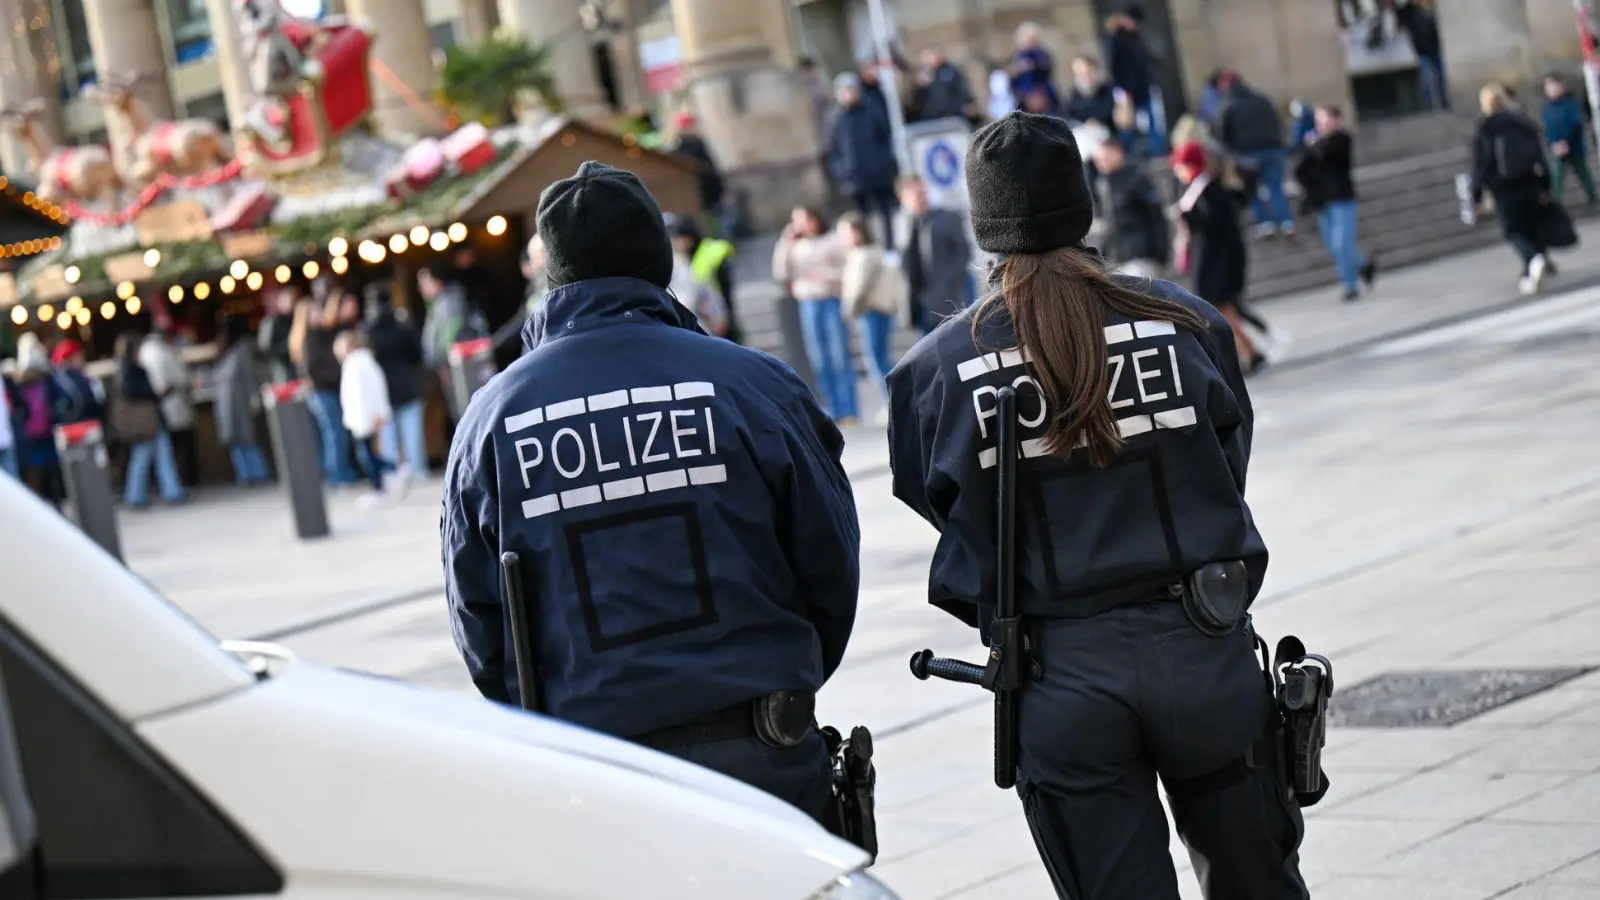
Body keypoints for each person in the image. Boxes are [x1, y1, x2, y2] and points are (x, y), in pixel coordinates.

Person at [886, 111, 1308, 900]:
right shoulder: (1184, 322)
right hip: (1202, 645)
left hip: (1060, 671)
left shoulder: (936, 371)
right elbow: (1226, 461)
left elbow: (939, 502)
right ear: (1082, 206)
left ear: (987, 227)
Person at [442, 161, 860, 823]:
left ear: (555, 273)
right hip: (763, 753)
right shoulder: (753, 386)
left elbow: (479, 623)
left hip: (602, 781)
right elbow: (829, 561)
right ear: (657, 261)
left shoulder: (492, 422)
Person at [1172, 140, 1263, 371]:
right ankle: (1249, 351)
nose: (1176, 170)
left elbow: (1214, 222)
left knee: (1220, 309)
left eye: (1180, 165)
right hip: (1211, 259)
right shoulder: (1195, 188)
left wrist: (1187, 218)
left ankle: (1247, 352)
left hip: (1219, 261)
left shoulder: (1209, 188)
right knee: (1222, 309)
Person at [772, 206, 858, 425]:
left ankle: (849, 409)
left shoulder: (831, 240)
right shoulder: (795, 245)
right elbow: (780, 272)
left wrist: (826, 276)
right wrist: (786, 242)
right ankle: (832, 409)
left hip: (830, 298)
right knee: (819, 359)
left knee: (839, 356)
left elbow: (848, 269)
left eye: (806, 219)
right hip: (808, 303)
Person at [1470, 83, 1554, 296]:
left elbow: (1481, 164)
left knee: (1513, 231)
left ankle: (1533, 261)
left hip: (1504, 187)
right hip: (1530, 181)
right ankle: (1535, 265)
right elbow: (1539, 154)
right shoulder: (1521, 122)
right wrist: (1546, 184)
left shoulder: (1485, 128)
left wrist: (1476, 195)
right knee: (1531, 226)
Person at [1297, 105, 1377, 302]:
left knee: (1342, 244)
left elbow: (1329, 155)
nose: (1321, 125)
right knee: (1334, 245)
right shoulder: (1314, 143)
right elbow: (1302, 169)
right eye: (1318, 121)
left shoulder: (1341, 138)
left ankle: (1349, 286)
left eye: (1325, 120)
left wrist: (1314, 144)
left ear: (1335, 120)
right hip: (1323, 201)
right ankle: (1362, 265)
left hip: (1342, 198)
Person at [838, 212, 903, 425]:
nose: (844, 238)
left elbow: (858, 287)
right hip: (873, 312)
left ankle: (891, 402)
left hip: (872, 312)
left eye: (846, 233)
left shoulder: (864, 255)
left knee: (877, 359)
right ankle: (891, 402)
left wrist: (848, 309)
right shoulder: (865, 253)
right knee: (877, 358)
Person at [290, 286, 359, 486]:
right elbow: (314, 369)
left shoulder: (319, 334)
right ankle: (337, 475)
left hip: (323, 391)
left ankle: (340, 472)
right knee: (334, 433)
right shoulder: (309, 338)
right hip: (321, 391)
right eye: (315, 312)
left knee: (334, 433)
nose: (320, 314)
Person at [1216, 70, 1295, 238]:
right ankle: (1286, 221)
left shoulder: (1228, 106)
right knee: (1275, 187)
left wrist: (1231, 152)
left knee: (1251, 190)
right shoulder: (1262, 99)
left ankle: (1265, 223)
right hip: (1273, 148)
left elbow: (1223, 133)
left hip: (1247, 154)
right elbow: (1277, 121)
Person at [113, 331, 186, 509]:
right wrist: (158, 393)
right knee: (151, 456)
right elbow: (139, 393)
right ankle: (152, 494)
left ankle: (152, 494)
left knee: (150, 456)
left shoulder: (122, 370)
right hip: (147, 422)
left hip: (143, 423)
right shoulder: (133, 370)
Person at [826, 72, 900, 244]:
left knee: (885, 213)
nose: (849, 94)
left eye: (852, 90)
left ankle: (890, 245)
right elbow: (834, 149)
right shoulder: (837, 119)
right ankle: (868, 244)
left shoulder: (872, 112)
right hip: (855, 176)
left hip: (878, 173)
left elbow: (885, 138)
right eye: (845, 91)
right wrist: (842, 172)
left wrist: (884, 163)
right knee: (861, 216)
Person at [895, 175, 973, 334]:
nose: (922, 197)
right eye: (916, 194)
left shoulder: (946, 218)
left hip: (948, 300)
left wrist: (949, 283)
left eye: (923, 192)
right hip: (920, 304)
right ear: (903, 198)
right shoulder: (902, 224)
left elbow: (963, 253)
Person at [365, 284, 427, 481]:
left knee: (388, 438)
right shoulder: (402, 324)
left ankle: (392, 477)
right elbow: (417, 354)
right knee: (412, 436)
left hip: (382, 389)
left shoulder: (367, 330)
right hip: (407, 383)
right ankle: (418, 473)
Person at [1091, 138, 1169, 278]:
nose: (1101, 164)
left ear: (1118, 153)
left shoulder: (1137, 178)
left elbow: (1156, 216)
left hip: (1140, 254)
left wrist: (1161, 252)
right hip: (1114, 258)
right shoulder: (1101, 183)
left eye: (1105, 158)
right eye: (1098, 160)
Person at [212, 317, 272, 486]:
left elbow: (247, 375)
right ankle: (251, 473)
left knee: (242, 438)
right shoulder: (236, 349)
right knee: (240, 439)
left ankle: (253, 473)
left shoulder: (234, 349)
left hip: (234, 400)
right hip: (235, 400)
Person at [335, 329, 390, 502]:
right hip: (360, 418)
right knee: (368, 454)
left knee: (367, 455)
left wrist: (377, 414)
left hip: (365, 417)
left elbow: (372, 391)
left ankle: (385, 479)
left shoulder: (360, 364)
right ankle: (386, 478)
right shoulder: (356, 364)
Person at [139, 328, 197, 488]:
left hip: (158, 407)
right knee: (182, 447)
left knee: (167, 450)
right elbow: (181, 377)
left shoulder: (144, 352)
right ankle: (187, 480)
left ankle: (172, 484)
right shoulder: (165, 352)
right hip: (174, 403)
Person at [7, 336, 61, 507]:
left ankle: (55, 503)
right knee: (35, 474)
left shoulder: (47, 377)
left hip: (46, 430)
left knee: (52, 470)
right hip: (30, 435)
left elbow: (55, 398)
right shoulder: (16, 380)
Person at [1103, 6, 1165, 155]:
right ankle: (1128, 154)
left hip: (1143, 87)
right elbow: (1112, 67)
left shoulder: (1136, 37)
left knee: (1153, 122)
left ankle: (1157, 153)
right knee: (1126, 125)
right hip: (1126, 89)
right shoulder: (1115, 39)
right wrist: (1122, 89)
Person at [671, 216, 742, 344]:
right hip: (717, 308)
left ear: (688, 238)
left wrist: (721, 317)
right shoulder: (703, 250)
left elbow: (709, 291)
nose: (677, 243)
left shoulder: (700, 257)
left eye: (679, 239)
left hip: (718, 308)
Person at [1543, 73, 1599, 206]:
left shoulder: (1570, 103)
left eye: (1554, 87)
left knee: (1582, 172)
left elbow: (1575, 124)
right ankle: (1555, 203)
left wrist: (1566, 141)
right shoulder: (1547, 107)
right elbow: (1548, 128)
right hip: (1557, 147)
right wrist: (1553, 143)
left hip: (1573, 145)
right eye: (1549, 88)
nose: (1552, 90)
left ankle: (1593, 197)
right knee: (1557, 176)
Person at [667, 113, 728, 234]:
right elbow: (710, 168)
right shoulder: (696, 144)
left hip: (691, 196)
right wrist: (721, 189)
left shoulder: (676, 147)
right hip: (705, 192)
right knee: (716, 226)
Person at [1397, 0, 1447, 111]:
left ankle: (1441, 100)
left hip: (1431, 47)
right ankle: (1431, 102)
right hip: (1423, 48)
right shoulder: (1411, 10)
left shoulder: (1427, 9)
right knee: (1428, 78)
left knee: (1437, 76)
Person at [912, 46, 978, 123]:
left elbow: (960, 91)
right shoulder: (927, 75)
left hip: (954, 114)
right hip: (933, 117)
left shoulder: (950, 72)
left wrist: (966, 105)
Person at [47, 339, 105, 426]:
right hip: (79, 426)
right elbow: (86, 403)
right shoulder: (68, 378)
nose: (83, 359)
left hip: (76, 426)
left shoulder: (61, 377)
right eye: (80, 355)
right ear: (70, 358)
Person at [1012, 22, 1059, 114]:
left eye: (1031, 39)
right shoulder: (1018, 56)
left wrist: (1034, 65)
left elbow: (1047, 69)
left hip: (1042, 91)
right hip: (1024, 95)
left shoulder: (1041, 54)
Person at [1064, 56, 1117, 132]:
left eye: (1088, 72)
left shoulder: (1109, 91)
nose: (1086, 77)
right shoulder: (1071, 98)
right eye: (1081, 74)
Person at [257, 287, 299, 383]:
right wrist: (287, 347)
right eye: (285, 300)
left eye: (291, 300)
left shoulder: (298, 320)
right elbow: (265, 349)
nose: (288, 303)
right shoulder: (271, 323)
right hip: (279, 369)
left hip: (297, 368)